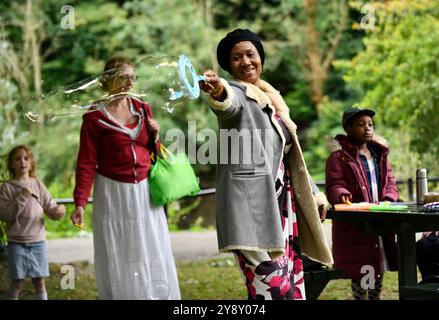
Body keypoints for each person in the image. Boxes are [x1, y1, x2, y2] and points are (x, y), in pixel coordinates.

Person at [199, 28, 333, 300]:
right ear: (229, 65)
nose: (246, 62)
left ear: (260, 57)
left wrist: (315, 194)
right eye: (237, 58)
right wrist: (218, 89)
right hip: (250, 208)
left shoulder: (273, 102)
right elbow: (228, 105)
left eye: (251, 54)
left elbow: (291, 158)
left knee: (290, 286)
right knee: (272, 288)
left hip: (281, 208)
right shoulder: (237, 92)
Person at [70, 56, 180, 300]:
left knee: (150, 245)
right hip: (112, 192)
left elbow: (152, 153)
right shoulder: (93, 117)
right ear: (109, 80)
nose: (130, 82)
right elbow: (86, 162)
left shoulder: (141, 108)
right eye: (124, 77)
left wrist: (155, 135)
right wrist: (79, 202)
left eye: (133, 77)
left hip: (144, 190)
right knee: (120, 248)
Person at [325, 107, 400, 300]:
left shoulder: (380, 156)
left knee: (377, 261)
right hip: (356, 221)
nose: (367, 128)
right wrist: (341, 194)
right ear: (348, 129)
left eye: (370, 124)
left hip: (379, 218)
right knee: (361, 262)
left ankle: (374, 296)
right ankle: (360, 297)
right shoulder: (339, 158)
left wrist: (389, 198)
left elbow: (390, 182)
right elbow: (335, 184)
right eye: (360, 125)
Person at [0, 145, 66, 300]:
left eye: (26, 158)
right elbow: (5, 215)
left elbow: (50, 206)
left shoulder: (37, 184)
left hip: (37, 242)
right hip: (16, 242)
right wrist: (22, 196)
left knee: (39, 281)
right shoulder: (7, 187)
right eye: (17, 159)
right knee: (17, 282)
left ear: (31, 163)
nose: (22, 162)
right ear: (11, 164)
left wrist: (59, 211)